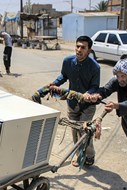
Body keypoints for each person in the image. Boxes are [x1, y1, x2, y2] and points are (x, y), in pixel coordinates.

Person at [32, 35, 100, 167]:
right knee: (74, 130)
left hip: (88, 105)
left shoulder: (95, 67)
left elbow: (95, 87)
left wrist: (87, 94)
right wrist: (54, 84)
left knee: (85, 132)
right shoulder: (68, 61)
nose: (79, 50)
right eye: (77, 46)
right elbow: (63, 76)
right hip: (72, 103)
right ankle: (78, 153)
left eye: (83, 47)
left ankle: (89, 156)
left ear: (89, 50)